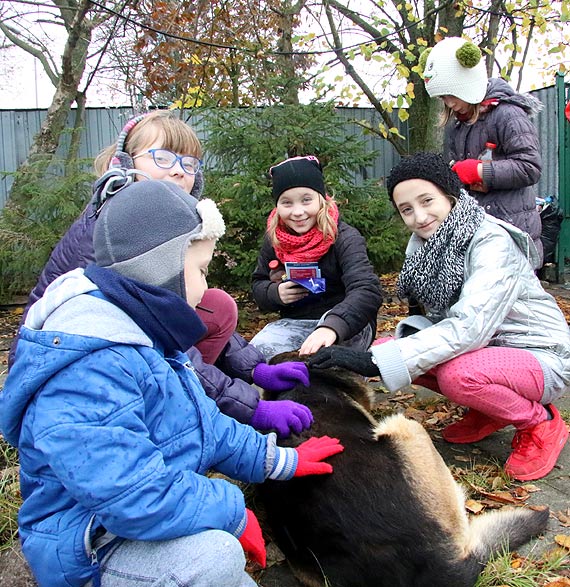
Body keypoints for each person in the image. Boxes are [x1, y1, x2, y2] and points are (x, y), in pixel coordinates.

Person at [0, 180, 344, 587]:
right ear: (161, 268)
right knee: (214, 557)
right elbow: (132, 495)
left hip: (133, 522)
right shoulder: (92, 367)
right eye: (201, 270)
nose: (206, 286)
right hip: (91, 545)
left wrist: (281, 461)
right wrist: (232, 510)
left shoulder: (141, 330)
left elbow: (203, 425)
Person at [9, 111, 312, 438]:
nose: (179, 171)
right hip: (65, 373)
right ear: (124, 165)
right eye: (163, 157)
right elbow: (170, 342)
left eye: (189, 163)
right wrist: (254, 408)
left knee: (216, 305)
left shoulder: (157, 222)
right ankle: (174, 419)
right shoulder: (116, 232)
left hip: (122, 346)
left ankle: (183, 404)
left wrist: (256, 369)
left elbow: (176, 315)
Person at [308, 152, 570, 482]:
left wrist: (374, 362)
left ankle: (540, 422)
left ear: (449, 193)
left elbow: (469, 326)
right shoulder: (424, 244)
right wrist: (378, 354)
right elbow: (434, 319)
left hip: (540, 356)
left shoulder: (490, 241)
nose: (419, 216)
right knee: (392, 347)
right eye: (406, 209)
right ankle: (491, 409)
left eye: (427, 200)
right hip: (490, 349)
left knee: (456, 375)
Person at [422, 36, 544, 268]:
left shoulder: (507, 114)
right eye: (442, 97)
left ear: (467, 84)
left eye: (450, 94)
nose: (448, 103)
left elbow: (531, 167)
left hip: (512, 235)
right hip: (480, 233)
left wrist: (479, 171)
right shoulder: (459, 124)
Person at [250, 155, 382, 360]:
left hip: (348, 323)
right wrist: (275, 293)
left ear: (321, 199)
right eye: (287, 203)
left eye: (306, 200)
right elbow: (258, 284)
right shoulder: (274, 239)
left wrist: (332, 326)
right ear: (277, 206)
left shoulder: (344, 237)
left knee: (328, 363)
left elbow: (366, 290)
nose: (298, 212)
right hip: (296, 322)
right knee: (255, 355)